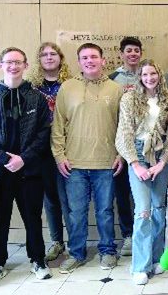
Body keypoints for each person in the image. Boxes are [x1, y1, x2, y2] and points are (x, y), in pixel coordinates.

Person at [0, 47, 52, 287]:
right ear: (0, 66)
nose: (13, 66)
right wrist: (4, 159)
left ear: (26, 66)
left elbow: (43, 133)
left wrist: (23, 159)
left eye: (18, 62)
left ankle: (38, 260)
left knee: (33, 219)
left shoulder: (37, 98)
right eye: (8, 62)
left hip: (29, 171)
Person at [51, 43, 125, 273]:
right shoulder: (68, 88)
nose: (89, 61)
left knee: (104, 211)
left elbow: (124, 127)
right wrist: (59, 155)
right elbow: (58, 125)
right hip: (73, 163)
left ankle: (107, 251)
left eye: (94, 56)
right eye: (84, 57)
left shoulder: (116, 89)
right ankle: (76, 253)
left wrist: (121, 154)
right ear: (79, 61)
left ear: (103, 60)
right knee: (76, 212)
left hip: (106, 162)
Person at [115, 60, 168, 285]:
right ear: (139, 76)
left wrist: (162, 163)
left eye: (153, 73)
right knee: (143, 210)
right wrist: (135, 163)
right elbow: (124, 133)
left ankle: (156, 258)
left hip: (161, 154)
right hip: (138, 154)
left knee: (159, 207)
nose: (149, 78)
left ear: (159, 75)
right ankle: (140, 266)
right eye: (145, 74)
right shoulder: (129, 98)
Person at [27, 42, 72, 263]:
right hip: (42, 149)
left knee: (69, 197)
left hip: (68, 147)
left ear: (61, 58)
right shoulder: (31, 87)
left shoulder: (71, 84)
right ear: (39, 60)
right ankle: (57, 241)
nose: (49, 57)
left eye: (53, 53)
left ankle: (75, 241)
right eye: (44, 54)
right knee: (50, 198)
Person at [109, 36, 143, 257]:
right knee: (122, 194)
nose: (133, 54)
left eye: (136, 50)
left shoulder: (147, 75)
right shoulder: (113, 79)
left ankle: (145, 233)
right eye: (129, 50)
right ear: (121, 53)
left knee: (143, 193)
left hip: (144, 144)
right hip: (121, 145)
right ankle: (128, 235)